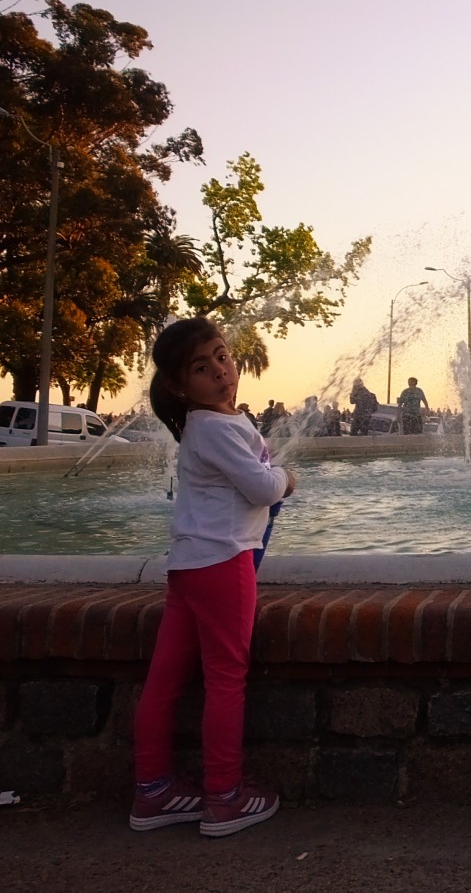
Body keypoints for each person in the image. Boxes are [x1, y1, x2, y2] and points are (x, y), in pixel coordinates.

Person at [130, 317, 294, 838]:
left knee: (164, 681)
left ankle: (152, 790)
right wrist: (288, 479)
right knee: (227, 681)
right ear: (180, 386)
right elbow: (264, 488)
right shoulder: (218, 427)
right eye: (202, 368)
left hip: (189, 568)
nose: (221, 371)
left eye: (222, 356)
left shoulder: (205, 426)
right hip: (224, 565)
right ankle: (224, 796)